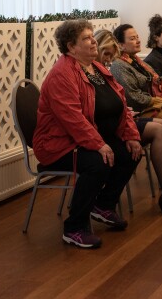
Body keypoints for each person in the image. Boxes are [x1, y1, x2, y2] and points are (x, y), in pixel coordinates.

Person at [34, 20, 143, 248]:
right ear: (71, 47)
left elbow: (120, 104)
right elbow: (72, 119)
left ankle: (103, 205)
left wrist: (131, 134)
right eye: (86, 38)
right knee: (98, 162)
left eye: (92, 36)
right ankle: (74, 227)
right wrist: (99, 144)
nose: (94, 40)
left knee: (130, 152)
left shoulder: (97, 67)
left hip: (87, 137)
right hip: (58, 144)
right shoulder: (62, 75)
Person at [95, 29, 162, 213]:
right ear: (121, 44)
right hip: (136, 114)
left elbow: (137, 94)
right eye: (132, 38)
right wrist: (161, 102)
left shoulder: (133, 63)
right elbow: (132, 97)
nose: (137, 41)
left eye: (137, 37)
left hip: (127, 116)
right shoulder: (117, 66)